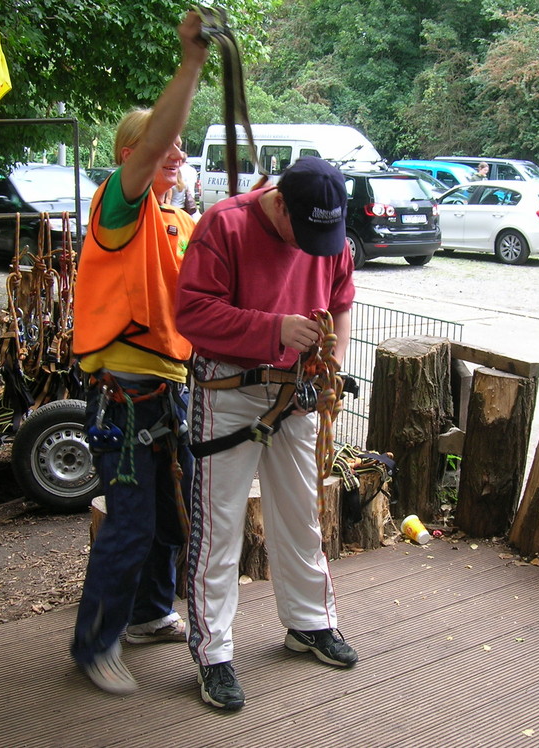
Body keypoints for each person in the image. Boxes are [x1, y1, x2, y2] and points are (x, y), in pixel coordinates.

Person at [176, 156, 358, 712]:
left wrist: (333, 361)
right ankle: (213, 652)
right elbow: (191, 314)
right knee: (221, 523)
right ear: (278, 201)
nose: (311, 246)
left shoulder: (329, 235)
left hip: (298, 392)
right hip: (228, 392)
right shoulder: (223, 225)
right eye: (302, 233)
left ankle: (309, 622)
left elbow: (343, 300)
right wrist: (273, 329)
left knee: (302, 513)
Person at [68, 10, 208, 696]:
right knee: (129, 524)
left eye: (181, 147)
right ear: (132, 155)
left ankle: (151, 613)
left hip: (167, 390)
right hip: (126, 395)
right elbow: (152, 149)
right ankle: (93, 644)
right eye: (164, 147)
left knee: (168, 518)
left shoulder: (174, 221)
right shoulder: (118, 211)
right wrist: (191, 66)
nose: (176, 156)